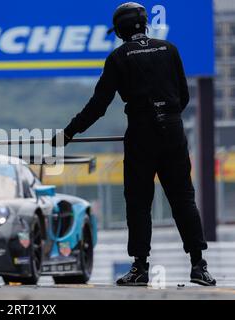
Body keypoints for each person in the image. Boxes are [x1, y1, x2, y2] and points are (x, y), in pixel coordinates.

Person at [52, 2, 216, 286]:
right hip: (174, 131)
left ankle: (140, 268)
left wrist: (68, 133)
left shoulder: (119, 57)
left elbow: (98, 106)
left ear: (120, 30)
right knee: (183, 200)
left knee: (139, 203)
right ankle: (199, 266)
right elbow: (184, 96)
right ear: (144, 25)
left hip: (142, 134)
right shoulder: (169, 49)